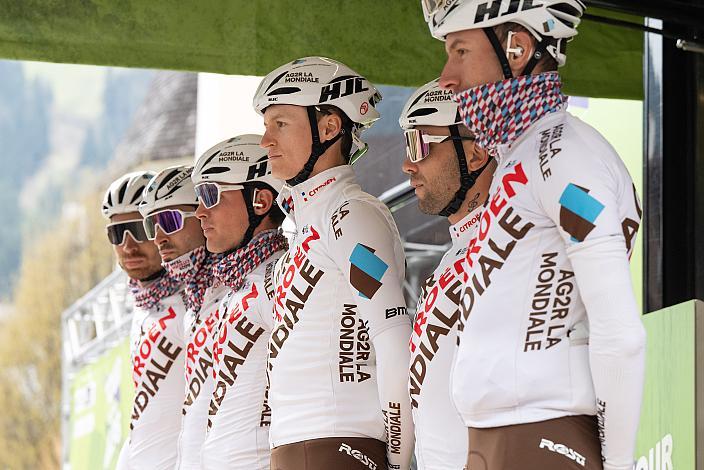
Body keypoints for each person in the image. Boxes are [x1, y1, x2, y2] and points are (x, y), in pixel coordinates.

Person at [422, 1, 646, 469]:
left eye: (459, 51)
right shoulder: (518, 158)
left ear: (518, 48)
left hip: (543, 433)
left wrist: (620, 463)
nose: (446, 76)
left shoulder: (567, 153)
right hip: (496, 438)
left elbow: (620, 333)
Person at [253, 56, 414, 470]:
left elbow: (394, 342)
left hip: (339, 445)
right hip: (298, 447)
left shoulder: (352, 213)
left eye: (280, 124)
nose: (265, 141)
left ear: (329, 127)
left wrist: (396, 460)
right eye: (266, 125)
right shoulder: (311, 223)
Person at [399, 78, 494, 470]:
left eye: (421, 145)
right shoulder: (450, 257)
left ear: (475, 154)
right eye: (408, 146)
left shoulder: (507, 242)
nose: (408, 164)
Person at [191, 134, 287, 469]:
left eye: (210, 195)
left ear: (260, 201)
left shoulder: (279, 275)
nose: (200, 212)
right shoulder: (234, 286)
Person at [102, 170, 187, 470]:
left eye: (138, 229)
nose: (127, 245)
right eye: (116, 233)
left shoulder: (194, 299)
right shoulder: (141, 306)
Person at [142, 166, 222, 470]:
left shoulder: (239, 286)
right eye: (152, 226)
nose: (158, 238)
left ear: (203, 214)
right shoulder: (195, 301)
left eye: (169, 220)